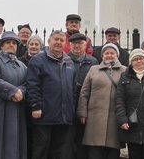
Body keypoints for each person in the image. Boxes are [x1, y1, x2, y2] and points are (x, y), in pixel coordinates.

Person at [26, 30, 76, 159]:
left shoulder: (69, 63)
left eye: (61, 40)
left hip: (64, 116)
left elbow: (73, 89)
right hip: (44, 115)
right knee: (41, 148)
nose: (58, 42)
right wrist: (36, 106)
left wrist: (72, 109)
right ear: (49, 42)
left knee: (59, 150)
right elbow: (32, 85)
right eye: (56, 39)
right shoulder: (37, 61)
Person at [77, 43, 127, 159]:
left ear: (117, 55)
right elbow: (84, 93)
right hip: (95, 118)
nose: (109, 55)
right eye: (106, 53)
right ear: (102, 55)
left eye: (112, 53)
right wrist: (82, 112)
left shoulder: (125, 71)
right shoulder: (93, 70)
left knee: (113, 153)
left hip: (115, 118)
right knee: (95, 152)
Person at [63, 33, 98, 159]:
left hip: (87, 108)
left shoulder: (93, 62)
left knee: (83, 144)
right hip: (68, 107)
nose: (77, 46)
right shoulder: (64, 60)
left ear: (85, 45)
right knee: (66, 144)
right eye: (74, 43)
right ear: (70, 45)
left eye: (80, 43)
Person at [17, 34, 44, 159]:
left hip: (39, 104)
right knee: (25, 136)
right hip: (22, 103)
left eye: (36, 44)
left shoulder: (45, 61)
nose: (34, 46)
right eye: (31, 44)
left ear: (41, 47)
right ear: (27, 46)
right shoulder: (19, 61)